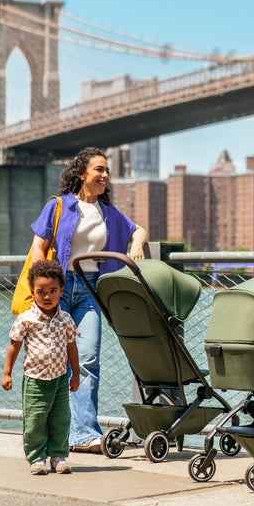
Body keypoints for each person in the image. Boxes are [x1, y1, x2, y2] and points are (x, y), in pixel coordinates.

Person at [28, 147, 148, 453]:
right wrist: (42, 290)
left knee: (88, 360)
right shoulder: (58, 206)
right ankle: (50, 434)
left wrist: (136, 245)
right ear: (82, 173)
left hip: (90, 291)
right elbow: (38, 247)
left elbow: (139, 229)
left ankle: (83, 434)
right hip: (57, 291)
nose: (105, 176)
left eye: (107, 171)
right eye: (99, 170)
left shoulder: (108, 213)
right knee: (52, 363)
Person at [2, 259, 80, 475]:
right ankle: (37, 458)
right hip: (35, 380)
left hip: (60, 379)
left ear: (61, 291)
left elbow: (72, 347)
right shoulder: (26, 319)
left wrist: (76, 374)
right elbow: (14, 346)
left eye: (53, 291)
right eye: (41, 291)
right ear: (33, 292)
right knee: (35, 420)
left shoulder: (65, 319)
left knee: (61, 419)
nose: (47, 297)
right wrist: (7, 373)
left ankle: (58, 456)